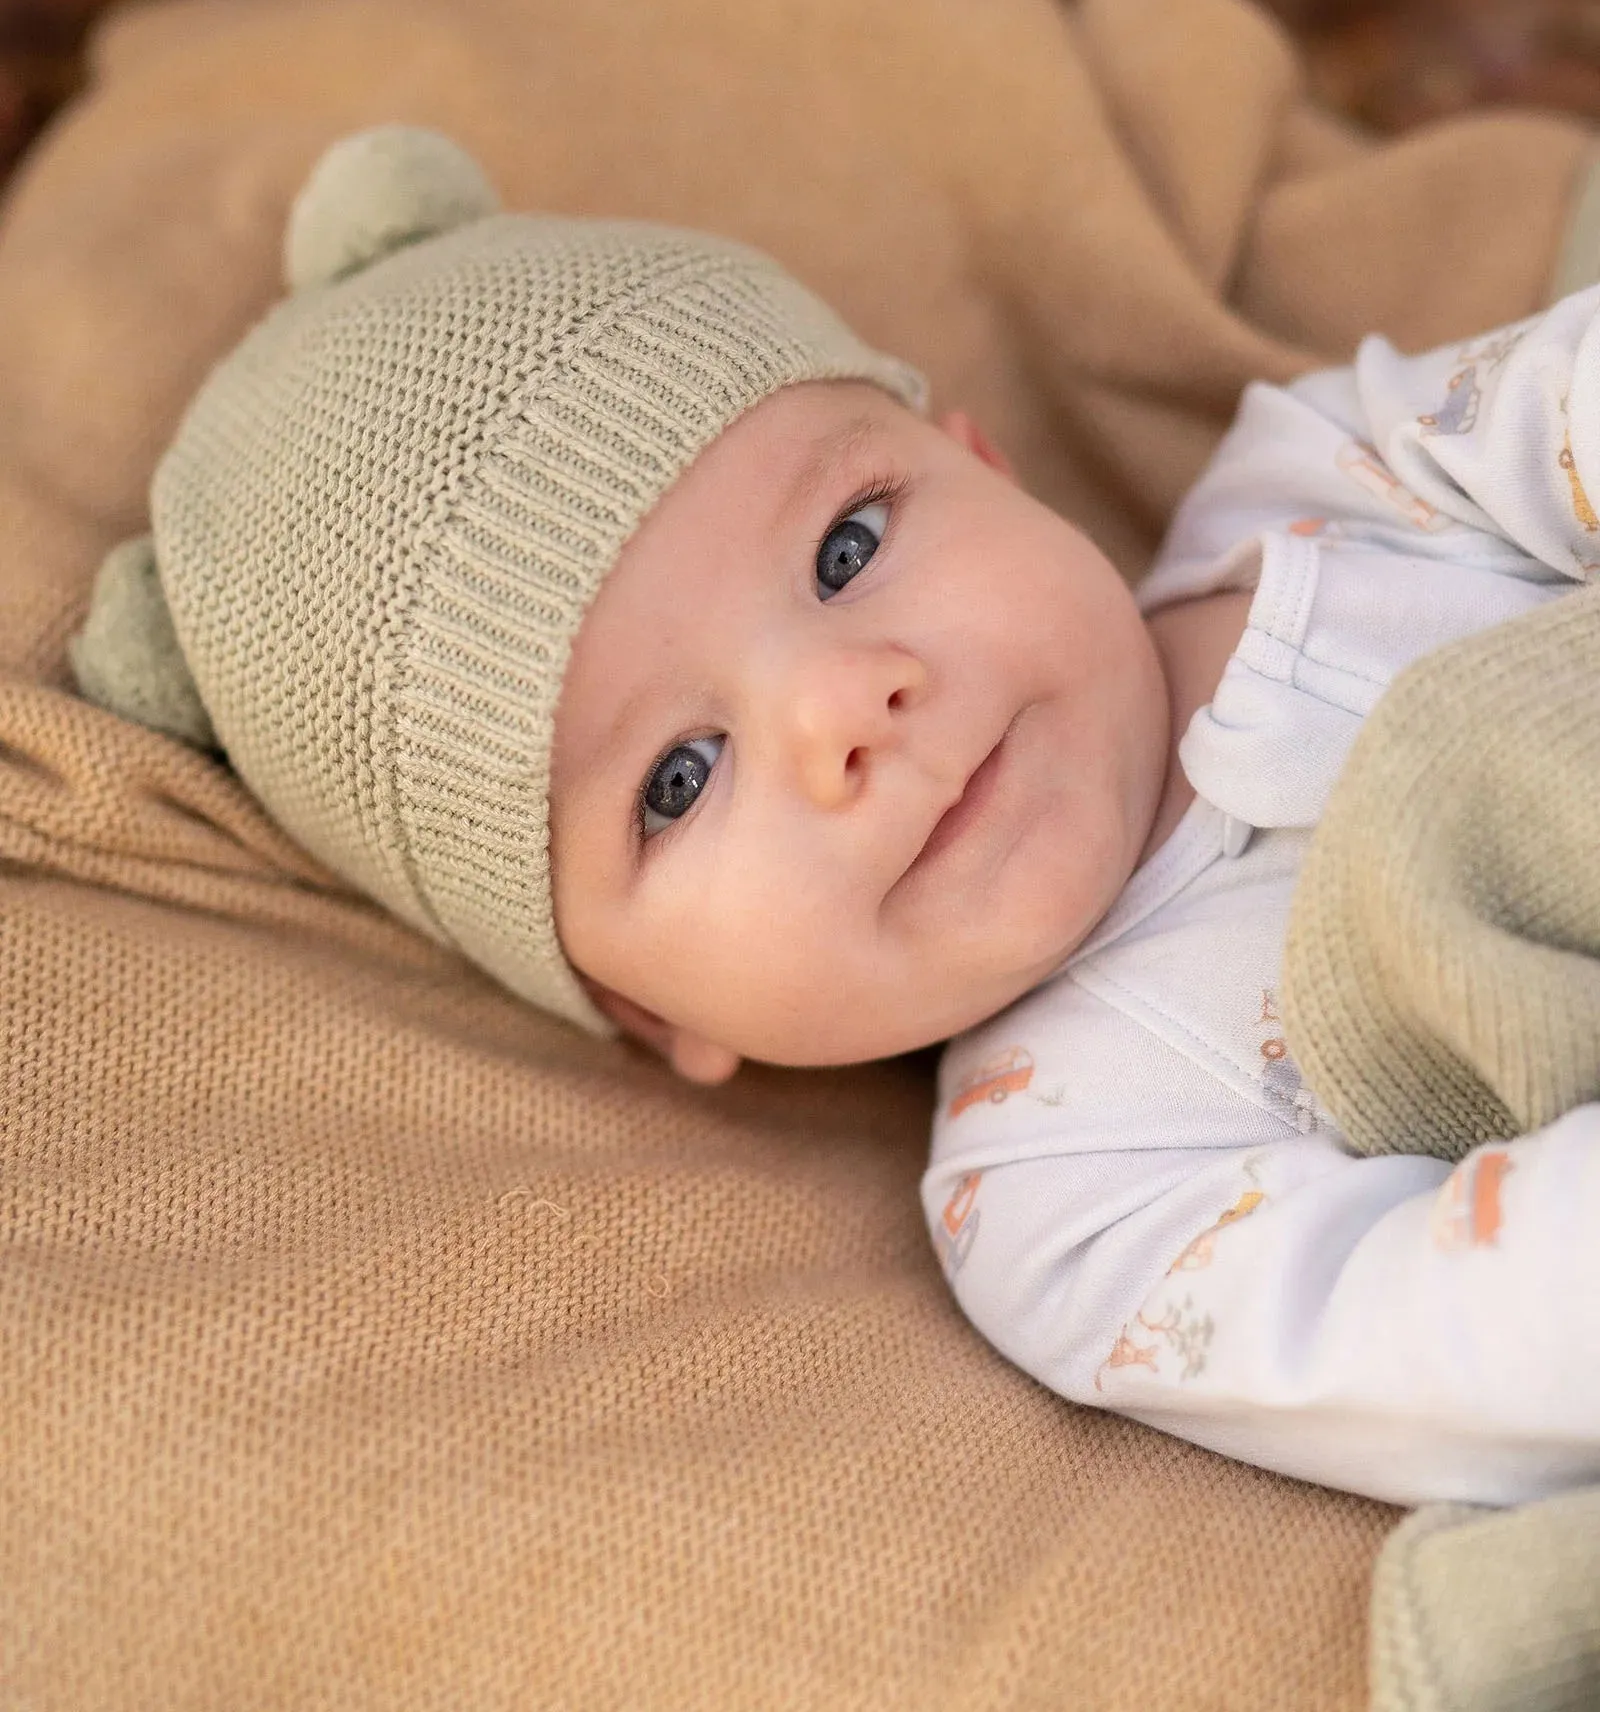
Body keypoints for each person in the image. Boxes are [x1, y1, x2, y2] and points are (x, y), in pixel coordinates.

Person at [73, 126, 1600, 1513]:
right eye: (679, 778)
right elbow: (1476, 1343)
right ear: (638, 1006)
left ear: (977, 460)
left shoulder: (1332, 482)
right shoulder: (1064, 1194)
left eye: (848, 545)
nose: (844, 710)